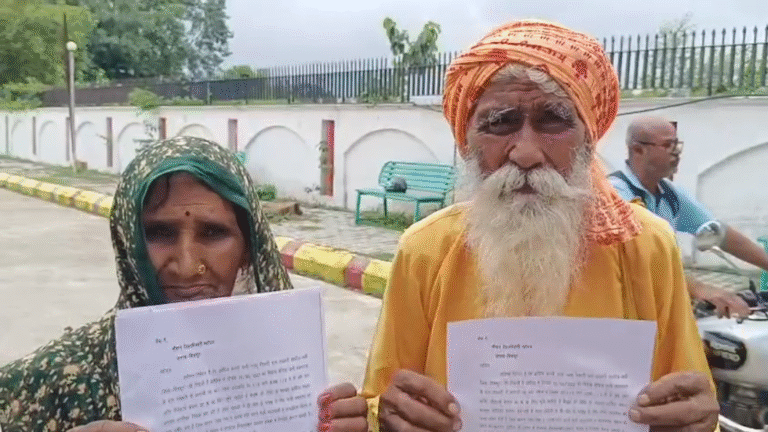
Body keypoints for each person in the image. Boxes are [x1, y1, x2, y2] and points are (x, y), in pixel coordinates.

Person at [360, 20, 719, 432]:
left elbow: (691, 402)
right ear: (466, 142)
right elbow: (381, 403)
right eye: (499, 122)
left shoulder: (646, 245)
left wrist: (697, 420)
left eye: (553, 120)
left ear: (588, 138)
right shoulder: (425, 250)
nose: (527, 153)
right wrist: (387, 419)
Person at [0, 137, 367, 432]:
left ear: (248, 250)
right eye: (159, 232)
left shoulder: (290, 381)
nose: (187, 266)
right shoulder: (54, 383)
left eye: (213, 232)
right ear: (128, 243)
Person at [610, 116, 768, 318]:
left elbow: (717, 233)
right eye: (668, 145)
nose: (676, 154)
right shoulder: (616, 194)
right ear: (638, 149)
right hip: (621, 311)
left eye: (677, 146)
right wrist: (700, 289)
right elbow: (638, 265)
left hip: (657, 307)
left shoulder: (669, 194)